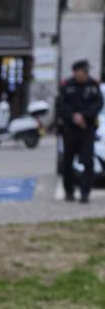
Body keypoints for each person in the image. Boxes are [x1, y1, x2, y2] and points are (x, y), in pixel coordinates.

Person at [56, 59, 102, 203]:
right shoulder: (67, 85)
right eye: (82, 71)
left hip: (87, 129)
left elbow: (98, 104)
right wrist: (73, 116)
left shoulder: (93, 85)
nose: (84, 74)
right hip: (70, 130)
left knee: (88, 162)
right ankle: (69, 191)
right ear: (75, 72)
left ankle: (85, 192)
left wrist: (84, 116)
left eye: (86, 72)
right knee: (68, 162)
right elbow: (60, 105)